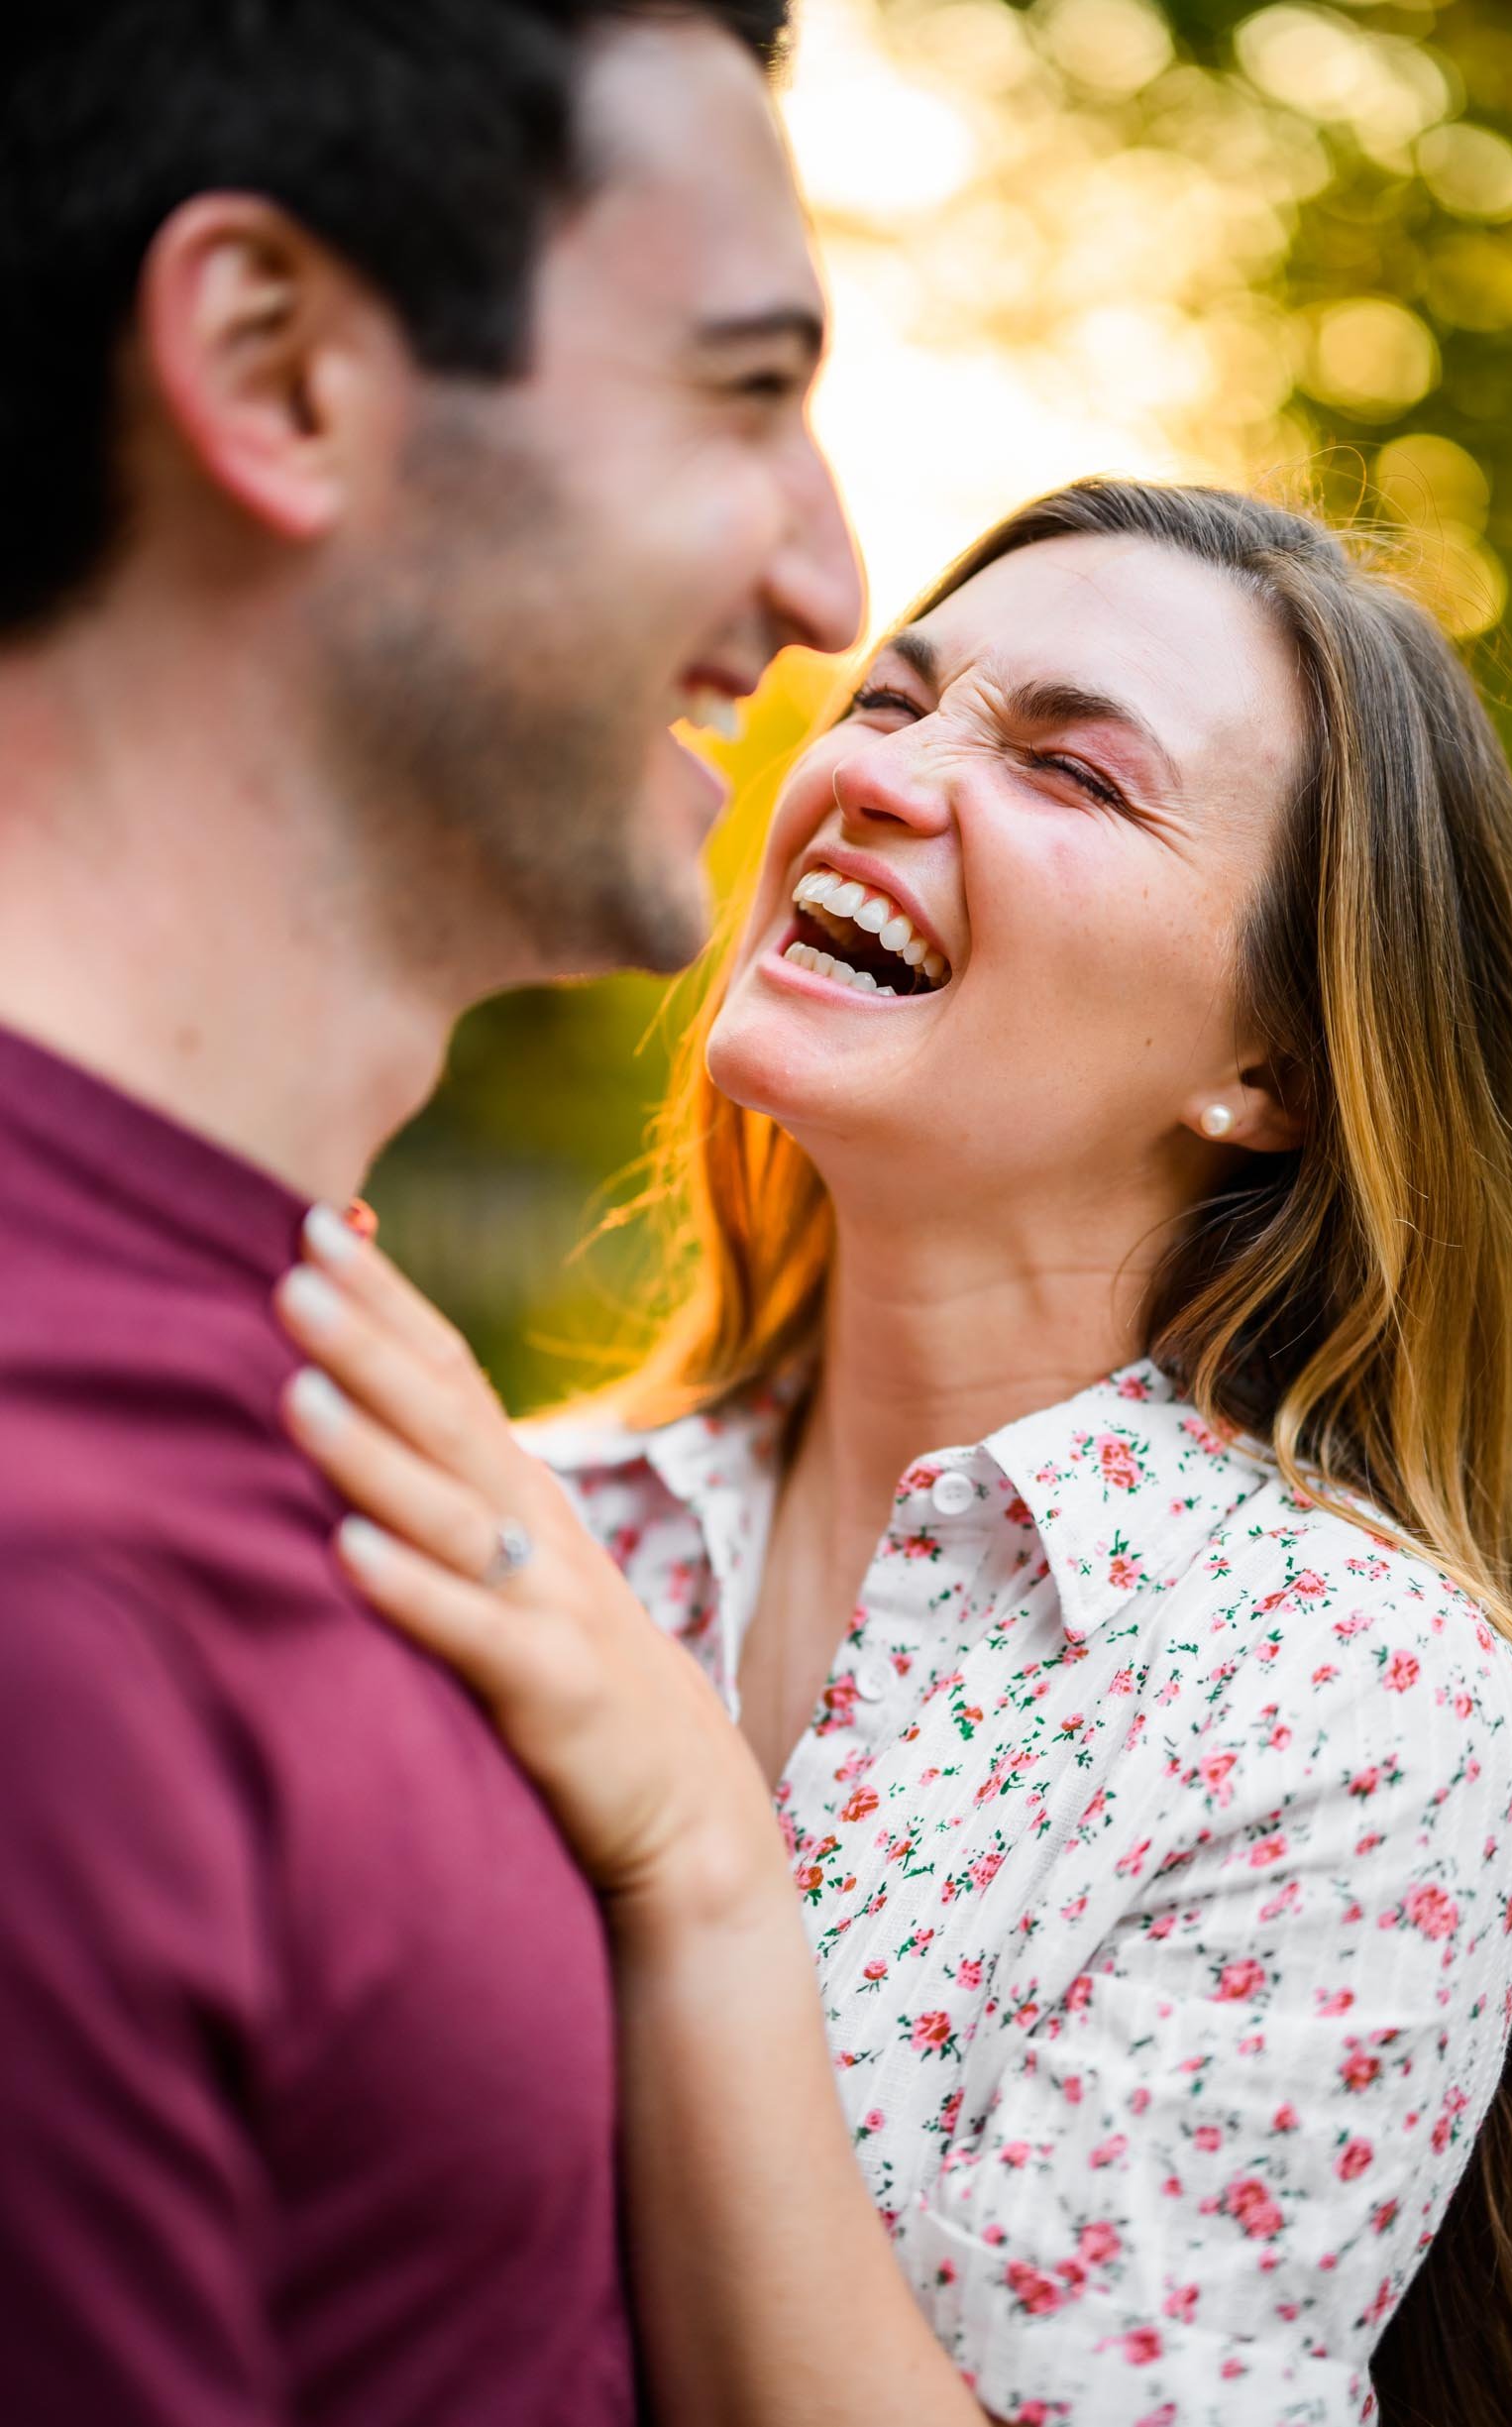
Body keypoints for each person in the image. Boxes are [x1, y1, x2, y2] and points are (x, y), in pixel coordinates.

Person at [276, 480, 1512, 2427]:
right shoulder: (523, 1520)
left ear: (1267, 1069)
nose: (886, 776)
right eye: (891, 703)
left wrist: (693, 1853)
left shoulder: (1352, 1711)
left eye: (1071, 773)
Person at [0, 3, 861, 2420]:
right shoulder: (55, 1594)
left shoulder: (297, 1336)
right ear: (276, 373)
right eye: (739, 389)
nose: (829, 576)